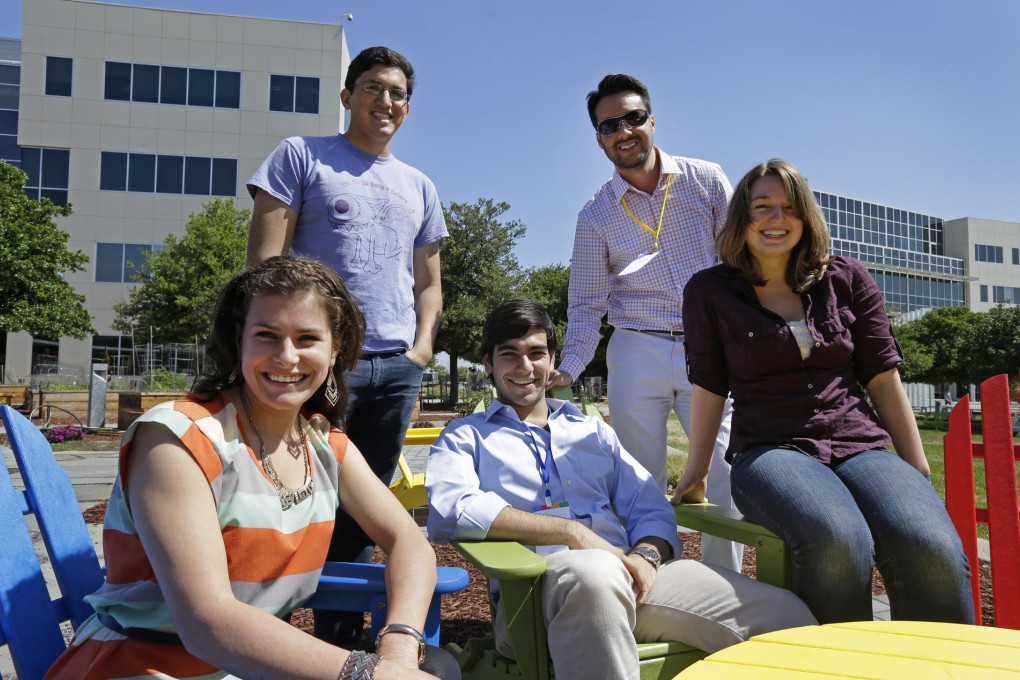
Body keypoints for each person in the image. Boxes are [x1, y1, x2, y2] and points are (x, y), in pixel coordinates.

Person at [46, 256, 458, 680]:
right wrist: (369, 673)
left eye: (307, 338)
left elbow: (408, 539)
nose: (286, 356)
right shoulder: (177, 439)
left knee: (439, 665)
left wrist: (401, 644)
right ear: (239, 340)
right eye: (267, 335)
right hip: (153, 665)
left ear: (335, 350)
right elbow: (208, 624)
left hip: (253, 667)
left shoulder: (322, 442)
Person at [427, 299, 817, 680]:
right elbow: (452, 508)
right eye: (509, 354)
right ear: (487, 363)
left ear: (553, 359)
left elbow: (649, 505)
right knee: (593, 574)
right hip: (533, 596)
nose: (525, 366)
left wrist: (646, 556)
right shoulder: (465, 436)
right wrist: (572, 533)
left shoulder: (592, 431)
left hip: (628, 575)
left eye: (536, 353)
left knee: (784, 615)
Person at [674, 159, 973, 625]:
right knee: (837, 538)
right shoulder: (709, 291)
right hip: (772, 449)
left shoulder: (847, 278)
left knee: (929, 544)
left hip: (860, 442)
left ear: (807, 216)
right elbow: (709, 384)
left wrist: (915, 465)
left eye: (790, 208)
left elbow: (882, 375)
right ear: (741, 217)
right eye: (763, 206)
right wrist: (696, 472)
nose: (777, 219)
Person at [246, 46, 447, 643]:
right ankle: (260, 636)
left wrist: (422, 347)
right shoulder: (301, 156)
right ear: (347, 96)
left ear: (407, 109)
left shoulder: (419, 185)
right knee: (282, 494)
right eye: (373, 88)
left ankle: (337, 640)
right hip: (318, 364)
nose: (386, 102)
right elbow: (265, 263)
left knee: (364, 511)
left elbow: (430, 280)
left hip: (395, 368)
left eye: (398, 94)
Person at [549, 73, 741, 571]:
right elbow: (587, 303)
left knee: (726, 467)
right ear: (599, 139)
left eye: (633, 118)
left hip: (710, 348)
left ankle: (727, 587)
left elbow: (740, 266)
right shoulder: (595, 215)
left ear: (652, 120)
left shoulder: (707, 179)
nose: (623, 131)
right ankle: (657, 583)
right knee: (640, 477)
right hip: (638, 347)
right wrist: (569, 367)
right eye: (609, 125)